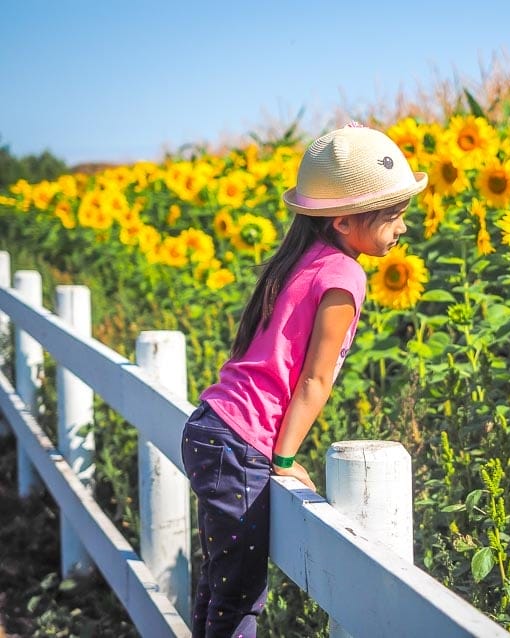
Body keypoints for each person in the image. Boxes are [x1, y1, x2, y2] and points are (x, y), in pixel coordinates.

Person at [180, 122, 428, 637]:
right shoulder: (345, 275)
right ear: (342, 219)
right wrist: (286, 461)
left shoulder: (301, 260)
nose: (402, 227)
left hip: (211, 426)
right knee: (239, 599)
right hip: (242, 443)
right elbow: (315, 381)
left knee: (218, 586)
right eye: (393, 216)